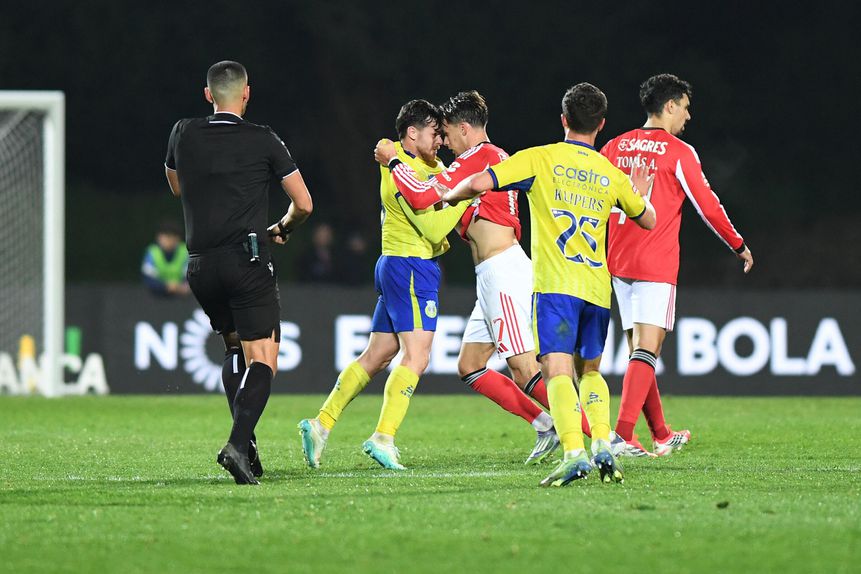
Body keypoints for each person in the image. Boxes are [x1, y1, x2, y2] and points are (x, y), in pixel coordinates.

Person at [444, 83, 656, 486]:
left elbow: (478, 184)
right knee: (591, 371)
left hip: (556, 285)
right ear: (602, 126)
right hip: (596, 286)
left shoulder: (540, 158)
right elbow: (647, 219)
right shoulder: (609, 173)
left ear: (563, 119)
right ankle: (604, 447)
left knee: (555, 370)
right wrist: (639, 198)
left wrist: (450, 197)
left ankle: (575, 452)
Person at [374, 90, 581, 465]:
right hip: (491, 273)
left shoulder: (478, 157)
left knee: (524, 368)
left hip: (502, 271)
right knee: (469, 365)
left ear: (465, 129)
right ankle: (544, 423)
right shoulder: (491, 158)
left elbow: (423, 198)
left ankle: (595, 435)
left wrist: (393, 162)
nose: (445, 142)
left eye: (448, 132)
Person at [164, 60, 313, 484]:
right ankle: (236, 444)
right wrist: (282, 228)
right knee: (263, 357)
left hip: (200, 265)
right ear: (246, 94)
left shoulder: (182, 132)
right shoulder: (263, 139)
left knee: (234, 349)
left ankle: (246, 447)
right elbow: (303, 204)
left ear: (208, 94)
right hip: (246, 260)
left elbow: (177, 186)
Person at [298, 100, 467, 470]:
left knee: (377, 356)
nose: (440, 139)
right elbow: (434, 227)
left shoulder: (428, 164)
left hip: (399, 266)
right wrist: (467, 196)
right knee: (417, 356)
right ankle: (383, 437)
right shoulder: (397, 168)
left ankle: (320, 424)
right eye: (434, 132)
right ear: (411, 132)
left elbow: (440, 185)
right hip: (410, 267)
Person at [601, 73, 753, 457]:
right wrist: (738, 244)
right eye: (685, 107)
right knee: (648, 349)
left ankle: (662, 434)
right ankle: (622, 434)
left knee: (639, 348)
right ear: (669, 105)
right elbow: (707, 204)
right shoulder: (678, 151)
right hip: (654, 261)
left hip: (617, 259)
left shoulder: (614, 146)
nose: (688, 116)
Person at [141, 220, 190, 297]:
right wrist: (167, 287)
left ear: (178, 238)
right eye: (165, 236)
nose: (168, 240)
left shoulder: (185, 252)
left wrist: (182, 287)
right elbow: (148, 279)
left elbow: (191, 277)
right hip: (157, 297)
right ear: (158, 237)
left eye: (171, 237)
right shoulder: (152, 252)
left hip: (182, 297)